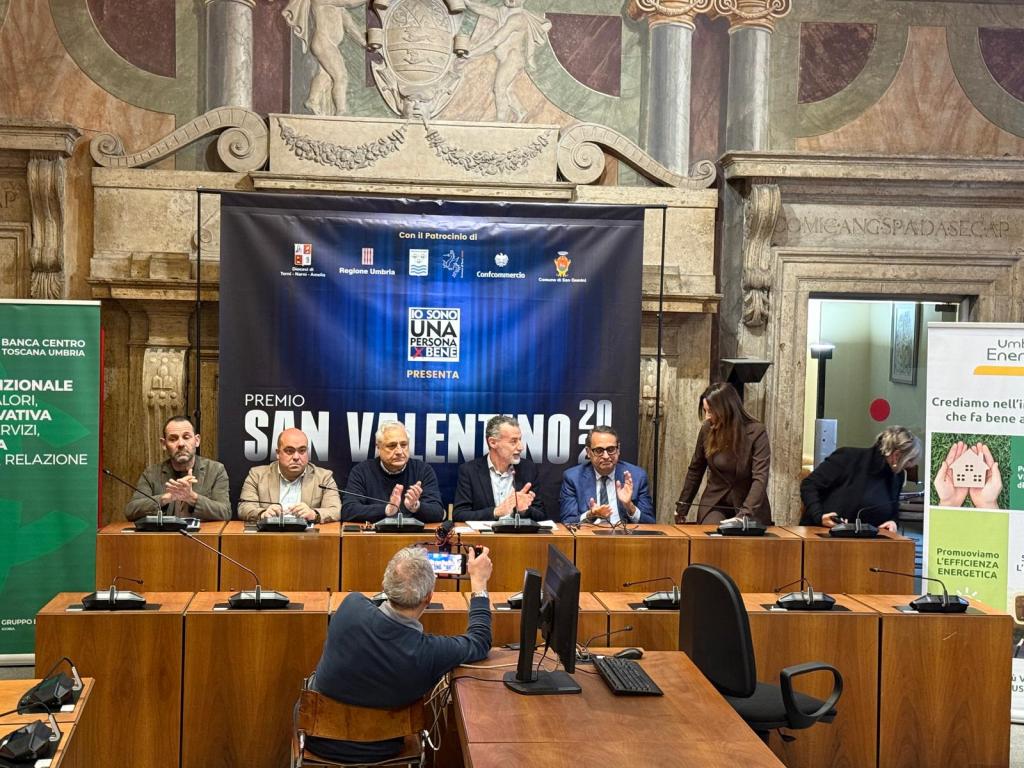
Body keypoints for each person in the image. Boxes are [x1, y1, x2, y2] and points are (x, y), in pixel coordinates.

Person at [306, 545, 493, 763]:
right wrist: (479, 583)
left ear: (384, 586)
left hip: (316, 738)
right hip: (383, 750)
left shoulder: (351, 606)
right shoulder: (430, 653)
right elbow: (480, 640)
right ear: (429, 598)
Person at [675, 383, 772, 525]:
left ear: (726, 410)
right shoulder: (707, 430)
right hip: (715, 503)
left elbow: (760, 478)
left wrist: (744, 515)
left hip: (749, 506)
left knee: (744, 538)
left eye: (711, 411)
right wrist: (682, 507)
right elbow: (695, 470)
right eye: (705, 411)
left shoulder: (756, 432)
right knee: (713, 533)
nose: (707, 417)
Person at [800, 425, 922, 531]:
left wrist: (893, 522)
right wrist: (819, 516)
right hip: (823, 536)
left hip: (867, 545)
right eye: (910, 460)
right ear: (896, 456)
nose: (911, 466)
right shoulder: (848, 457)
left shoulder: (897, 477)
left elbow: (893, 510)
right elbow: (809, 485)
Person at [124, 415, 230, 521]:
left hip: (201, 535)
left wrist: (192, 497)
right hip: (163, 536)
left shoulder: (215, 470)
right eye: (173, 439)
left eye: (186, 437)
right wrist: (166, 498)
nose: (181, 444)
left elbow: (225, 512)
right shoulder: (151, 473)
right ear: (164, 444)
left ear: (197, 441)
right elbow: (131, 511)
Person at [342, 421, 445, 522]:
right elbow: (348, 510)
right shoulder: (361, 471)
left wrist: (415, 506)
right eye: (392, 446)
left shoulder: (423, 470)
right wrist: (387, 510)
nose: (399, 452)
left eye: (404, 445)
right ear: (378, 447)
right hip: (376, 537)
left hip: (414, 536)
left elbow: (438, 512)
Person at [236, 427, 341, 523]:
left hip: (307, 538)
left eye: (302, 451)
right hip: (269, 536)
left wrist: (313, 514)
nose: (296, 457)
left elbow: (335, 510)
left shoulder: (324, 477)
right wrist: (263, 513)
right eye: (289, 451)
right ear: (278, 453)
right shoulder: (257, 475)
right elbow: (244, 507)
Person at [453, 415, 545, 521]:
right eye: (513, 441)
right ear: (493, 442)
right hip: (486, 536)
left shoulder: (529, 469)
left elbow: (542, 516)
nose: (521, 447)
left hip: (518, 537)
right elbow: (459, 515)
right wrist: (497, 511)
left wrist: (524, 510)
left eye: (520, 440)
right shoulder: (469, 471)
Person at [559, 426, 654, 525]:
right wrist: (590, 515)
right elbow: (567, 521)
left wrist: (629, 506)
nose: (606, 456)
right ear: (588, 452)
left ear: (618, 449)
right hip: (589, 538)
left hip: (625, 538)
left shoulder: (637, 476)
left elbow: (650, 523)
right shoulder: (573, 478)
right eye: (599, 450)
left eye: (611, 449)